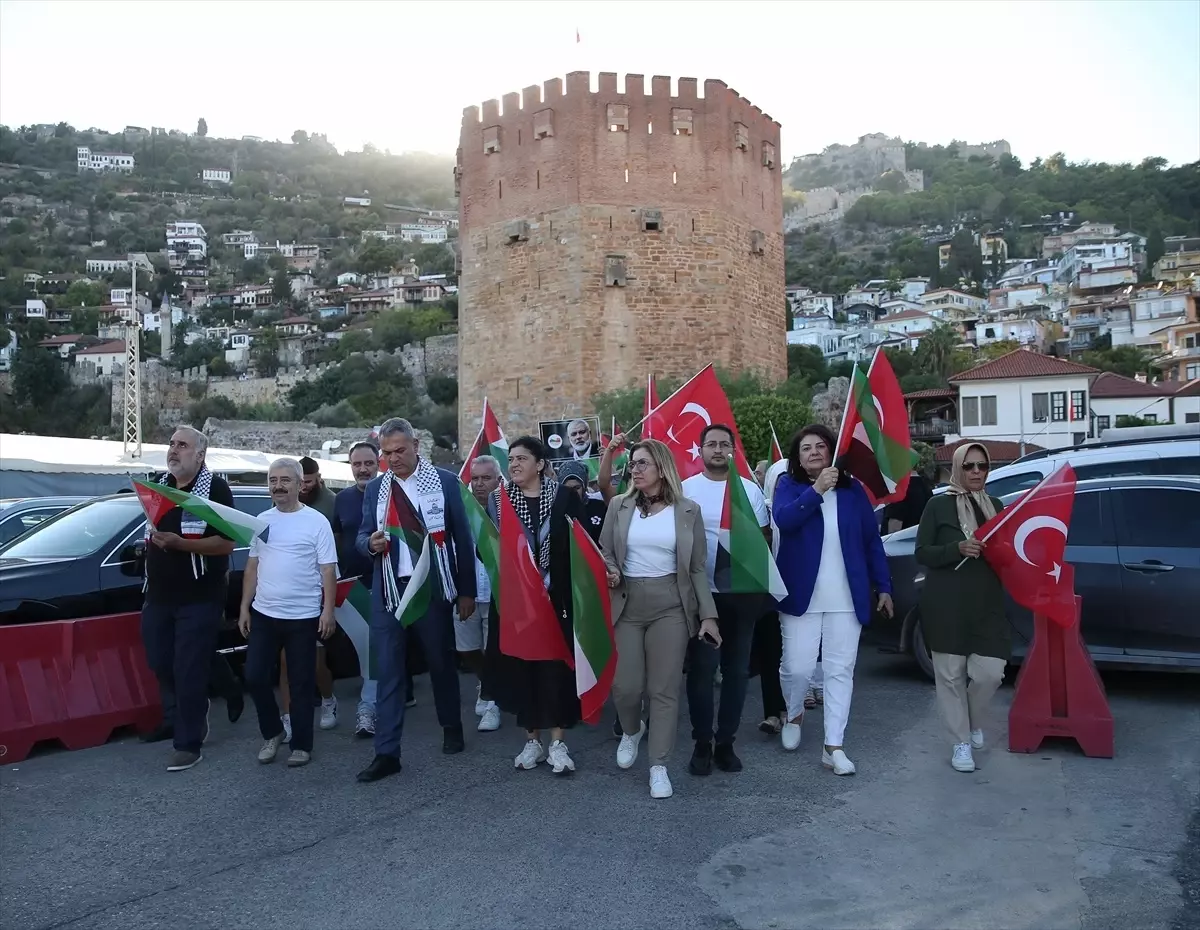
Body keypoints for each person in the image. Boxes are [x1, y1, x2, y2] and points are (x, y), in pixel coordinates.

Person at [355, 418, 476, 783]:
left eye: (399, 451)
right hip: (390, 590)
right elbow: (362, 534)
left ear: (416, 445)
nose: (393, 459)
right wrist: (369, 544)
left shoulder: (445, 482)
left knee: (440, 662)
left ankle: (451, 726)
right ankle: (387, 753)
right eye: (386, 453)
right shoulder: (377, 489)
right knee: (389, 671)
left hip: (432, 588)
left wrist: (466, 590)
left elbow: (463, 539)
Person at [600, 439, 721, 799]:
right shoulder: (619, 506)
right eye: (633, 464)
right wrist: (610, 570)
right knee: (625, 686)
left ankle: (658, 766)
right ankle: (632, 729)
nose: (634, 470)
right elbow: (605, 551)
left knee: (663, 689)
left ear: (662, 468)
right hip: (626, 602)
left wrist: (709, 616)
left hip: (671, 605)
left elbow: (697, 567)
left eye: (642, 464)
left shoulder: (688, 510)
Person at [772, 424, 893, 776]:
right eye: (805, 447)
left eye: (820, 446)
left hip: (846, 596)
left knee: (840, 671)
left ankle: (833, 746)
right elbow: (784, 520)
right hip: (800, 594)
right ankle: (793, 712)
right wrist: (816, 490)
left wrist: (883, 585)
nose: (813, 451)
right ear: (797, 457)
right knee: (798, 667)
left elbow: (872, 541)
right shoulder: (788, 486)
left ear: (832, 452)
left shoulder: (854, 491)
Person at [140, 426, 239, 771]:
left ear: (200, 455)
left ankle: (189, 742)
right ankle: (218, 679)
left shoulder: (215, 490)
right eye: (171, 444)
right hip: (159, 595)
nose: (173, 450)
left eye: (182, 445)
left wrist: (181, 544)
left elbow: (227, 544)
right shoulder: (160, 487)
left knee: (188, 670)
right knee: (160, 660)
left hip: (199, 596)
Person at [483, 436, 580, 775]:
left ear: (539, 464)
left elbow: (581, 546)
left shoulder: (564, 497)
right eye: (511, 459)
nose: (515, 465)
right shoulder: (498, 500)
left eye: (522, 459)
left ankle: (558, 742)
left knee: (555, 669)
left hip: (556, 599)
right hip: (516, 602)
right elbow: (489, 549)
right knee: (523, 670)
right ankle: (532, 741)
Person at [680, 424, 772, 776]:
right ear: (700, 450)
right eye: (711, 444)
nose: (717, 449)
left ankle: (726, 742)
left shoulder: (748, 490)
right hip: (702, 596)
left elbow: (763, 539)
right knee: (703, 671)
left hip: (741, 595)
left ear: (732, 450)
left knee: (737, 672)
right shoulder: (686, 490)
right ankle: (702, 743)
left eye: (724, 444)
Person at [915, 442, 1008, 774]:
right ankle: (960, 742)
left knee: (991, 674)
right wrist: (957, 548)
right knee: (951, 677)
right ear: (957, 468)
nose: (976, 472)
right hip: (947, 604)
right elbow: (923, 552)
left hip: (986, 604)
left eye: (982, 466)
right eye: (969, 466)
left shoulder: (995, 505)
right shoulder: (938, 506)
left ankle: (970, 720)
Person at [239, 458, 338, 768]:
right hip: (265, 614)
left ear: (299, 484)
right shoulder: (262, 520)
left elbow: (327, 569)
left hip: (303, 616)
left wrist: (328, 610)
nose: (278, 486)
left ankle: (302, 745)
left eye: (285, 480)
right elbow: (253, 565)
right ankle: (273, 733)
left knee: (300, 682)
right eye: (272, 480)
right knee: (254, 676)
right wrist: (244, 606)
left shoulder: (316, 522)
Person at [277, 456, 339, 737]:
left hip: (314, 590)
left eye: (308, 482)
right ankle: (288, 719)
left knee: (314, 661)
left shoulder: (329, 504)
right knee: (285, 663)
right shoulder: (278, 506)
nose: (303, 488)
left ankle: (328, 700)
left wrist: (328, 607)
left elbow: (332, 556)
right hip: (284, 595)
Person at [331, 440, 385, 738]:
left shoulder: (391, 494)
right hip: (352, 586)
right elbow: (336, 539)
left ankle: (369, 708)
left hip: (386, 582)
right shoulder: (341, 500)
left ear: (378, 463)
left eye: (368, 463)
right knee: (368, 646)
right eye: (357, 464)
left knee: (375, 645)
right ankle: (374, 702)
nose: (363, 469)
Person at [462, 454, 503, 733]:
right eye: (474, 478)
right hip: (466, 591)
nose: (478, 484)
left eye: (485, 478)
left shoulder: (509, 508)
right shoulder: (460, 508)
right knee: (466, 648)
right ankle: (485, 682)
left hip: (498, 592)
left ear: (499, 480)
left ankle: (493, 701)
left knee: (494, 651)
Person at [884, 465, 934, 534]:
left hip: (901, 542)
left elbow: (894, 528)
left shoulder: (900, 490)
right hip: (920, 539)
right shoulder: (926, 487)